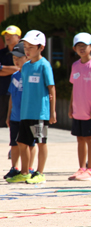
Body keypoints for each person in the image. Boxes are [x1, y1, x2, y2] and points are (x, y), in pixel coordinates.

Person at [6, 30, 56, 184]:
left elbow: (51, 88)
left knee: (41, 142)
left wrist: (52, 112)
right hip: (25, 113)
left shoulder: (45, 65)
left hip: (40, 112)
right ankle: (25, 172)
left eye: (30, 47)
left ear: (41, 47)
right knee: (22, 142)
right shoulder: (25, 67)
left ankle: (40, 173)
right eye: (25, 47)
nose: (26, 50)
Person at [68, 33, 91, 181]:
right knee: (80, 139)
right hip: (78, 109)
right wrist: (71, 106)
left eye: (84, 46)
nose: (81, 49)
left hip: (90, 110)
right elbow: (74, 87)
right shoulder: (75, 65)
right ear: (74, 48)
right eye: (78, 46)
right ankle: (81, 167)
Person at [4, 42, 37, 179]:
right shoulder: (14, 76)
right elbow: (12, 96)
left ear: (27, 57)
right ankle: (14, 167)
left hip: (29, 116)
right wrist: (8, 115)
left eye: (19, 57)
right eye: (14, 58)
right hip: (16, 117)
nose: (16, 60)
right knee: (14, 143)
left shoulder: (32, 74)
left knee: (31, 143)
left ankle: (29, 167)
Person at [0, 25, 22, 129]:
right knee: (2, 123)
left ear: (18, 37)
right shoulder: (1, 53)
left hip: (20, 92)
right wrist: (17, 68)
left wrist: (4, 68)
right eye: (6, 35)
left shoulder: (24, 53)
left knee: (18, 124)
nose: (7, 37)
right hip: (3, 92)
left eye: (11, 35)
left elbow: (24, 69)